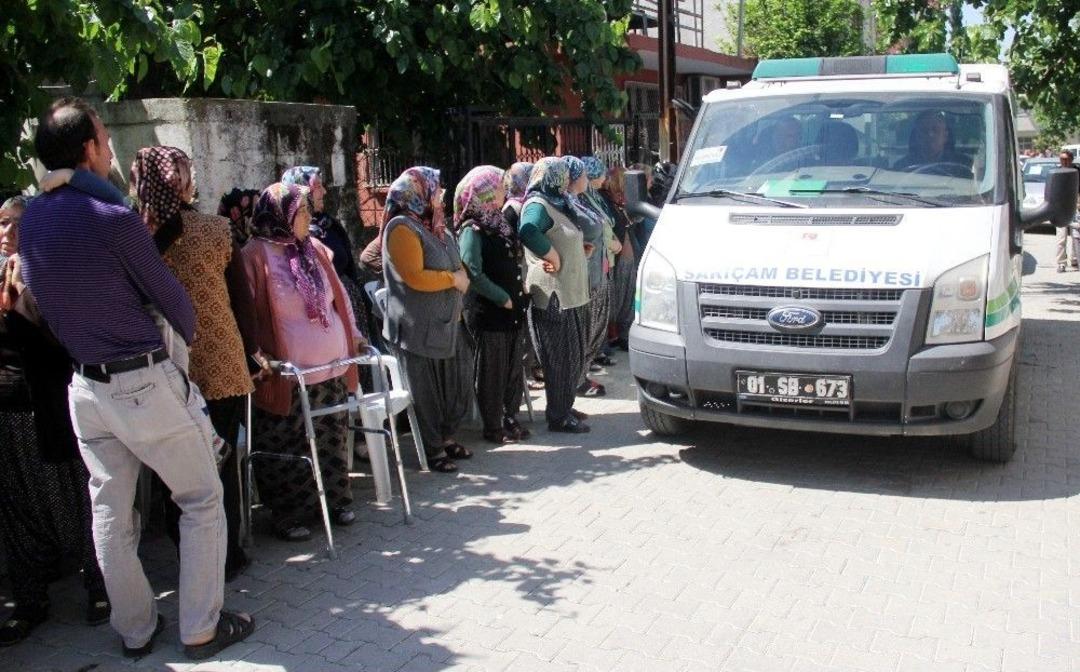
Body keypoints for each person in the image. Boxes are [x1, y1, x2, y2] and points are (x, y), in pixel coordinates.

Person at [18, 97, 252, 660]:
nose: (112, 149)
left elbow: (38, 302)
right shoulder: (113, 218)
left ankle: (135, 630)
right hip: (141, 380)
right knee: (200, 497)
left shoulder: (31, 220)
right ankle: (200, 627)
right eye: (104, 137)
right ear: (89, 149)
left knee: (111, 513)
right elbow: (176, 304)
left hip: (87, 388)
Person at [127, 146, 260, 580]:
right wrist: (254, 355)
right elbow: (243, 300)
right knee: (220, 464)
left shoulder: (130, 238)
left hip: (161, 371)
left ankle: (189, 555)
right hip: (220, 363)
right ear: (182, 180)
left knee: (174, 472)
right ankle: (227, 556)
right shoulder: (216, 230)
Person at [0, 195, 110, 647]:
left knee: (70, 500)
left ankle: (99, 586)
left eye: (15, 224)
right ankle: (30, 601)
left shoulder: (48, 271)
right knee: (16, 508)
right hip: (7, 406)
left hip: (47, 404)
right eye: (1, 224)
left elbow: (61, 333)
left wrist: (24, 291)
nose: (6, 232)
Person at [242, 182, 364, 541]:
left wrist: (354, 335)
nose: (310, 217)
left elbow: (339, 298)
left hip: (330, 367)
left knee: (330, 435)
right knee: (287, 442)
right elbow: (248, 314)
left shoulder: (315, 250)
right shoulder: (254, 255)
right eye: (303, 211)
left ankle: (336, 501)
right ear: (280, 215)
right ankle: (288, 514)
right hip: (287, 376)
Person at [382, 167, 474, 472]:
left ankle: (446, 439)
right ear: (418, 193)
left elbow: (455, 260)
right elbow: (414, 276)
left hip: (445, 324)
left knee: (453, 386)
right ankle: (432, 450)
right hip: (417, 328)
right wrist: (453, 279)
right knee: (426, 392)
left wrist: (460, 278)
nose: (441, 194)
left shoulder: (435, 225)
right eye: (436, 189)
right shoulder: (402, 228)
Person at [455, 165, 531, 444]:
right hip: (489, 310)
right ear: (485, 193)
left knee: (513, 367)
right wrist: (502, 296)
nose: (503, 190)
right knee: (492, 371)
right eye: (498, 187)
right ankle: (493, 426)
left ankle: (511, 417)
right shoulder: (472, 229)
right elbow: (473, 271)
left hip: (511, 308)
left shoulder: (498, 222)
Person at [520, 157, 592, 433]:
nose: (565, 179)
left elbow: (560, 236)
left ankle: (564, 405)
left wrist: (578, 249)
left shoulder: (557, 202)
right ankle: (558, 416)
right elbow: (528, 230)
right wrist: (551, 255)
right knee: (559, 358)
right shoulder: (538, 204)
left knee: (572, 355)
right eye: (561, 174)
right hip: (553, 295)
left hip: (570, 293)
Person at [281, 166, 372, 341]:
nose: (324, 191)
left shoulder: (329, 225)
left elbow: (350, 269)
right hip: (328, 315)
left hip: (351, 307)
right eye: (318, 187)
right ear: (301, 191)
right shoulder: (295, 237)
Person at [576, 156, 615, 397]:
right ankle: (580, 376)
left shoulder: (589, 197)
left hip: (598, 267)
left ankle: (585, 369)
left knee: (595, 324)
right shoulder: (574, 200)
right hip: (586, 275)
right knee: (586, 327)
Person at [600, 166, 637, 351]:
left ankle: (624, 335)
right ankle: (614, 337)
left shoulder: (620, 202)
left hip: (625, 258)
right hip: (617, 258)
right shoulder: (605, 200)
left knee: (626, 299)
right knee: (617, 299)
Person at [894, 110, 971, 176]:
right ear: (917, 136)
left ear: (945, 136)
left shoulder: (963, 164)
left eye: (935, 130)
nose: (930, 134)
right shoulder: (902, 166)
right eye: (924, 130)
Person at [1055, 150, 1080, 272]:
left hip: (1076, 208)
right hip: (1060, 208)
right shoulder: (1057, 172)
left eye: (1066, 159)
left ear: (1071, 159)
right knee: (1061, 237)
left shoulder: (1077, 172)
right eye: (1061, 159)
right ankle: (1061, 263)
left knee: (1076, 235)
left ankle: (1075, 259)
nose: (1064, 161)